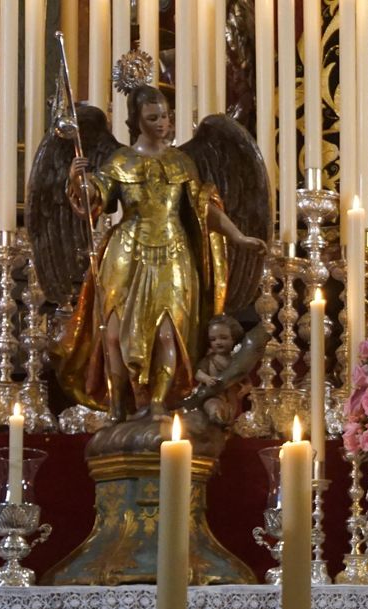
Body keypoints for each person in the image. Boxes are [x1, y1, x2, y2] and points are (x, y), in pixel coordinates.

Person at [56, 80, 265, 420]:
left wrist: (238, 237)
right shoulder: (120, 160)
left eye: (166, 116)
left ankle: (158, 402)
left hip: (173, 249)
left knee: (170, 333)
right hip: (126, 251)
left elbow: (202, 210)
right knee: (113, 334)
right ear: (136, 121)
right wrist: (81, 181)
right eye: (153, 118)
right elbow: (96, 201)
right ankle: (119, 404)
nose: (163, 124)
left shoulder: (182, 163)